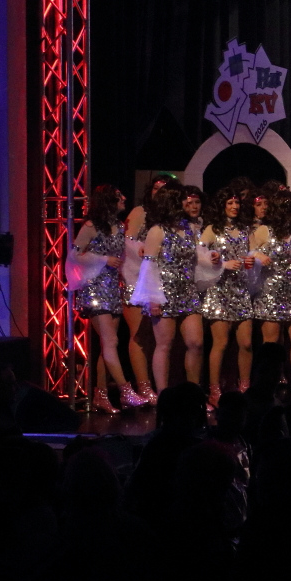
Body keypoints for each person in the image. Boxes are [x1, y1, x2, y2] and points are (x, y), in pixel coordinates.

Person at [70, 185, 147, 411]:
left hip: (113, 288)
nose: (124, 198)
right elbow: (74, 255)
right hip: (95, 288)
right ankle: (125, 391)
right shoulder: (90, 226)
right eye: (118, 196)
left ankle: (101, 395)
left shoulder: (119, 226)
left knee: (109, 344)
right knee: (111, 341)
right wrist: (103, 259)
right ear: (107, 201)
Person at [129, 186, 204, 390]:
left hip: (188, 291)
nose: (188, 203)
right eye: (183, 200)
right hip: (163, 293)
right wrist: (153, 298)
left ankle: (194, 393)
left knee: (196, 342)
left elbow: (198, 256)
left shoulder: (190, 228)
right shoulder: (157, 231)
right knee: (164, 344)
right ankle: (163, 395)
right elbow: (149, 266)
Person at [120, 174, 174, 405]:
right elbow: (126, 242)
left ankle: (158, 385)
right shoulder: (140, 211)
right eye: (155, 188)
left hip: (161, 282)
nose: (159, 193)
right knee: (140, 335)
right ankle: (144, 387)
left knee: (158, 338)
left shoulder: (171, 218)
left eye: (165, 189)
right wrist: (144, 248)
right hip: (136, 279)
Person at [199, 186, 254, 405]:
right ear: (222, 205)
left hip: (241, 290)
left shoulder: (245, 229)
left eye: (237, 202)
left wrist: (251, 260)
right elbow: (199, 254)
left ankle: (244, 388)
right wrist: (220, 262)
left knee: (246, 343)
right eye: (230, 203)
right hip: (219, 291)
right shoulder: (212, 229)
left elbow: (252, 253)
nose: (234, 206)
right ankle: (214, 391)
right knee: (220, 343)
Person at [250, 187, 291, 367]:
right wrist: (257, 255)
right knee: (271, 343)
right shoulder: (264, 231)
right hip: (270, 293)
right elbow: (246, 251)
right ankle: (271, 379)